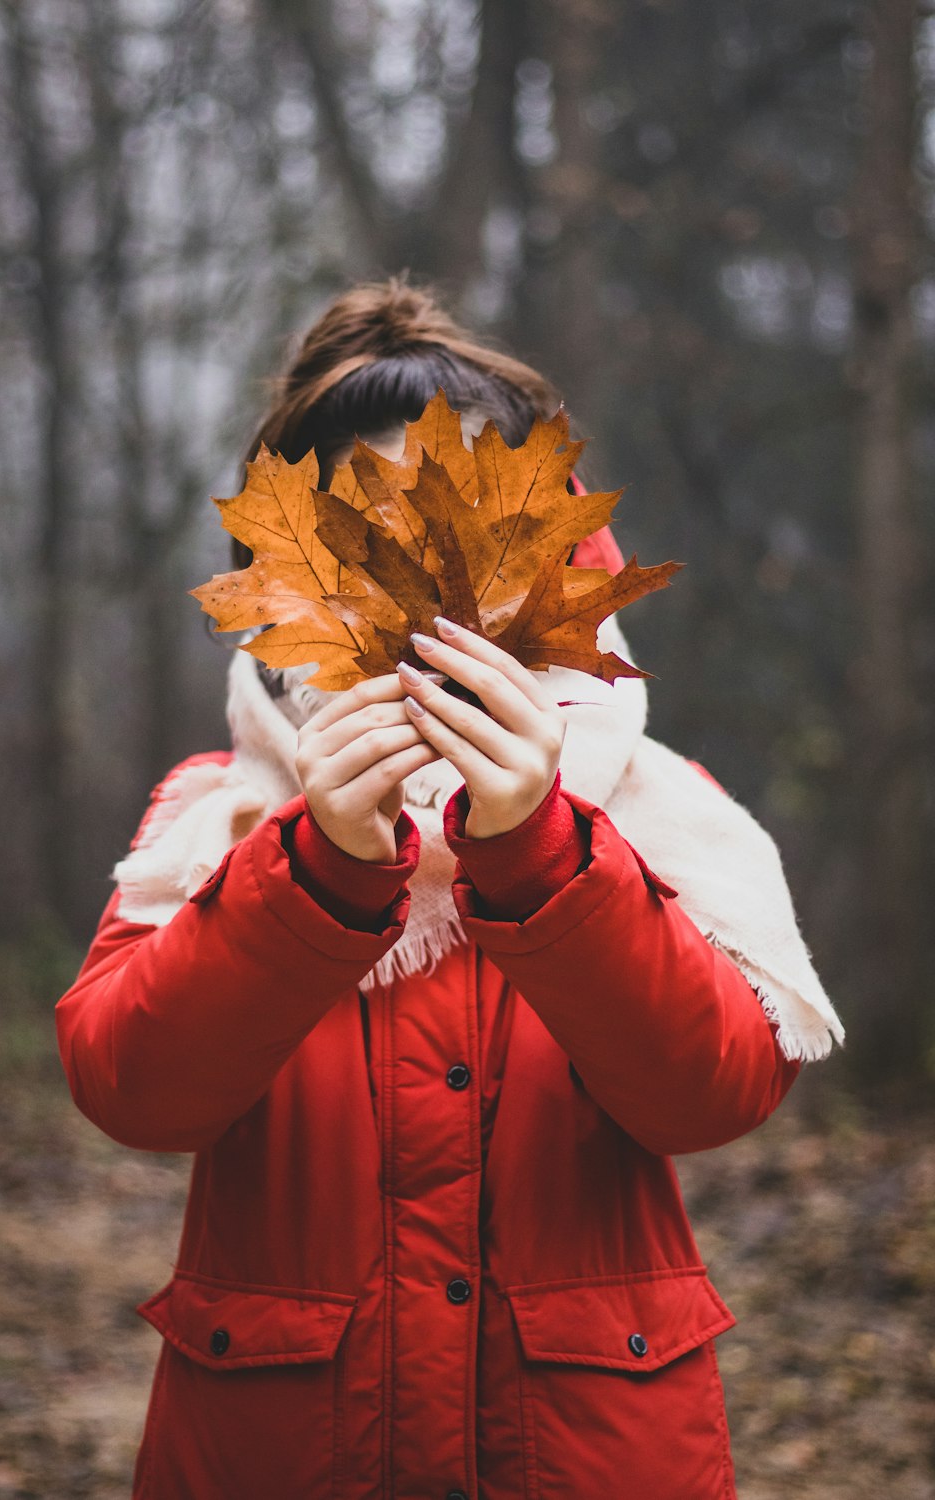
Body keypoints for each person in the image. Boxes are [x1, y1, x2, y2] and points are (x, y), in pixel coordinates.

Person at [55, 276, 843, 1500]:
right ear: (288, 583)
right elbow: (133, 1091)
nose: (425, 586)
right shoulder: (222, 810)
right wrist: (310, 868)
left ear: (562, 562)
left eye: (469, 532)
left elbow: (712, 1092)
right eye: (367, 536)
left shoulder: (650, 804)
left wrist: (540, 849)